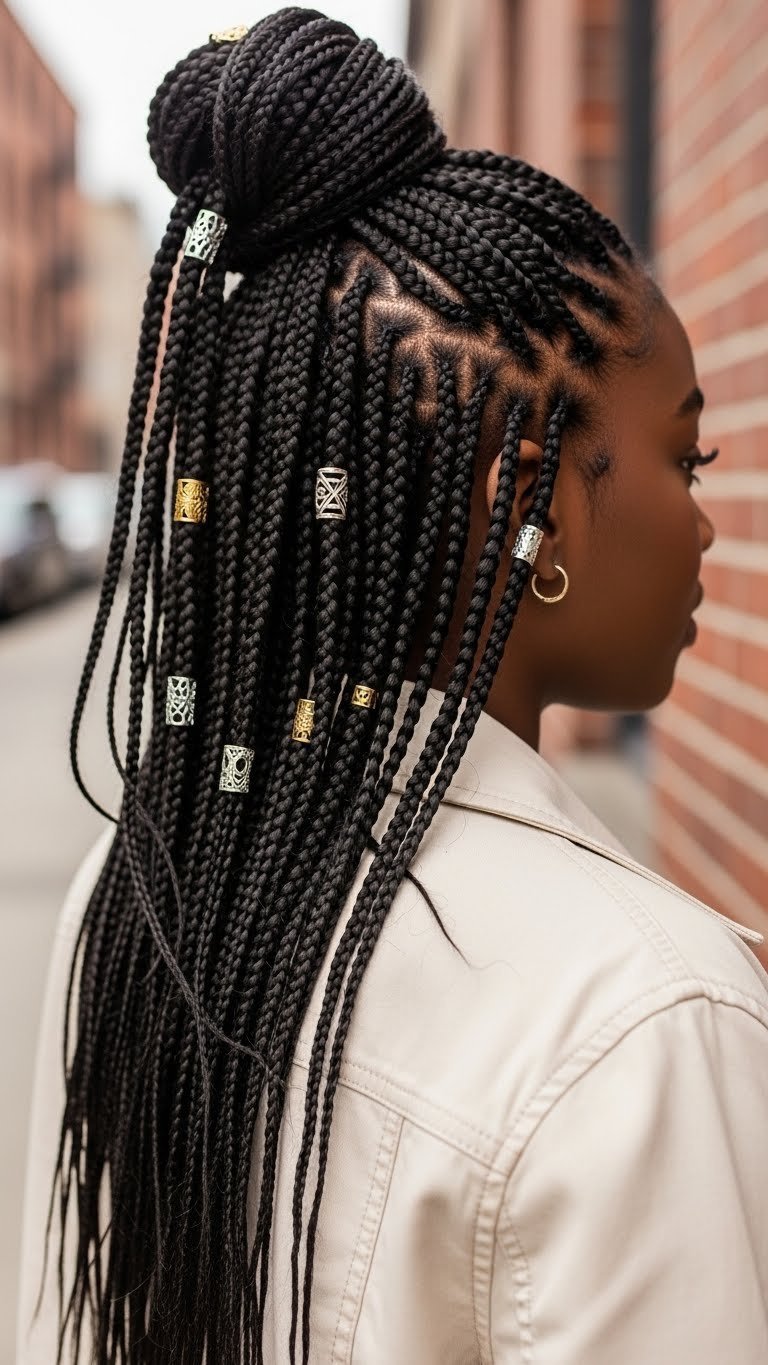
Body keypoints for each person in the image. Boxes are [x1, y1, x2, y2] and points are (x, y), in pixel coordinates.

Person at [16, 9, 768, 1363]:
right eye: (687, 457)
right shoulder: (644, 1019)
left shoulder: (134, 887)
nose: (710, 520)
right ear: (530, 504)